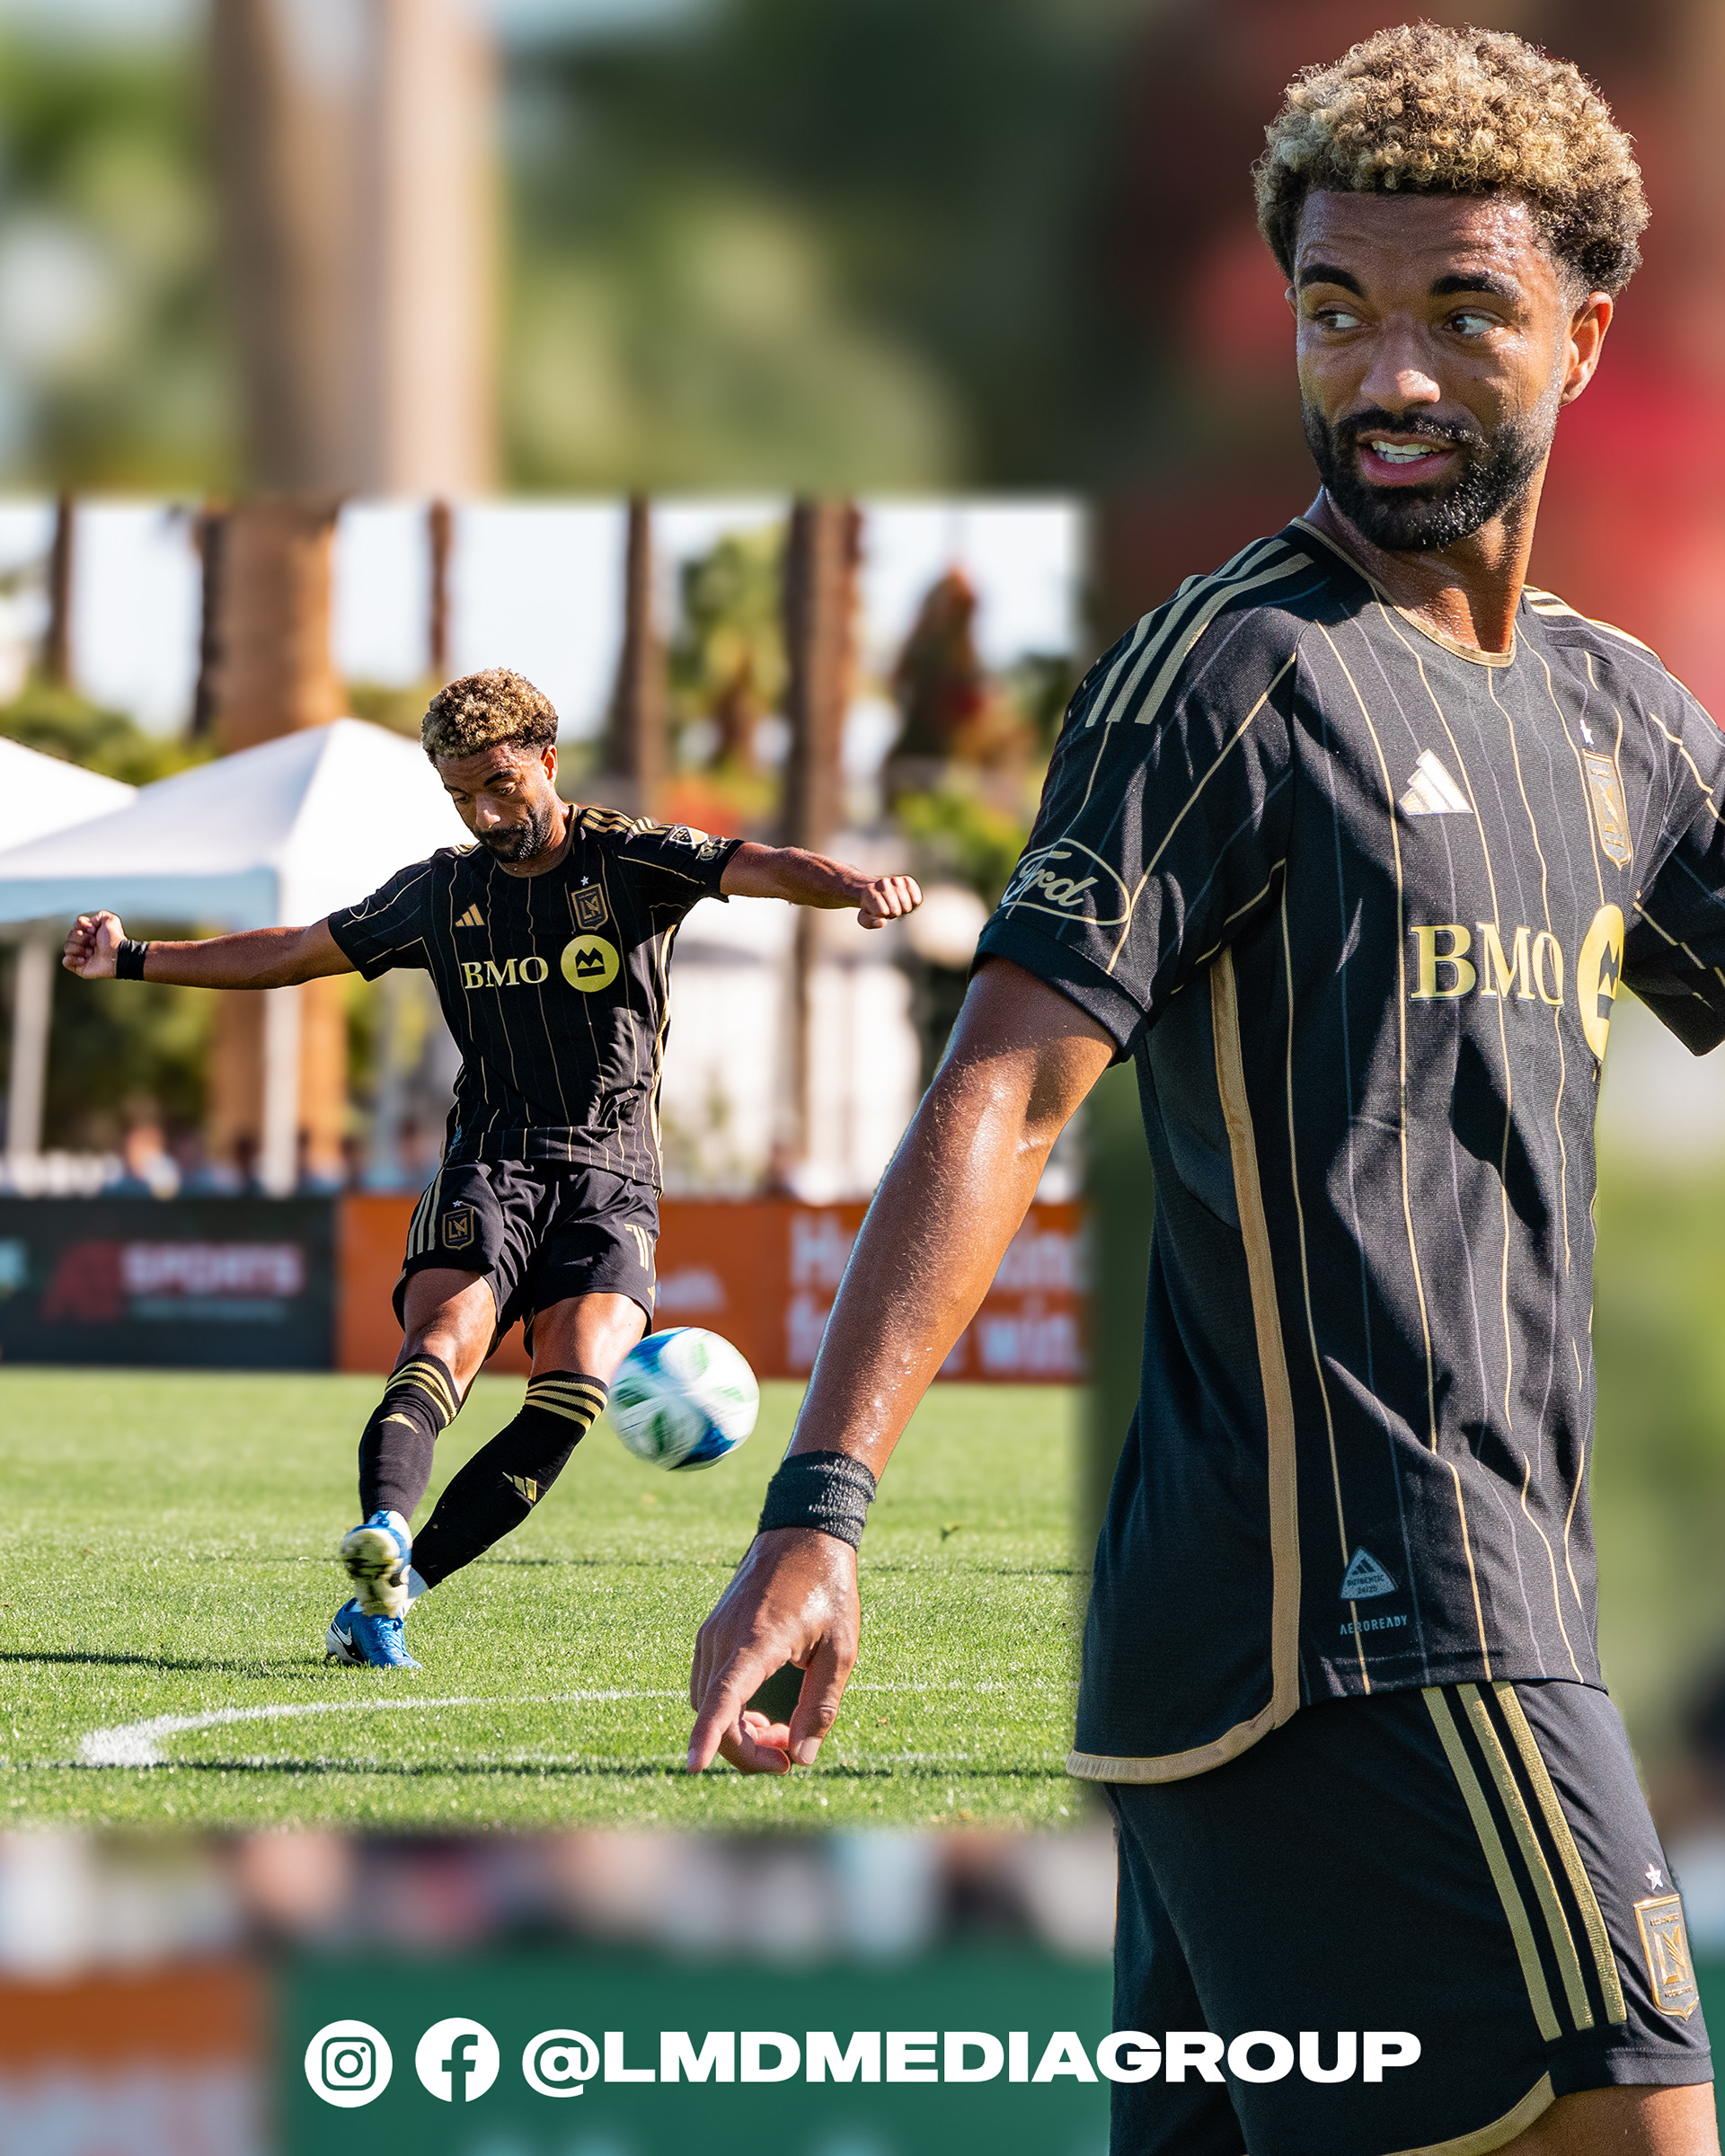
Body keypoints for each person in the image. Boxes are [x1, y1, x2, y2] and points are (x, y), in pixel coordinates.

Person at [688, 26, 1720, 2156]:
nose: (1387, 375)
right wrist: (820, 1507)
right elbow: (1005, 1095)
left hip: (1304, 1665)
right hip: (1385, 1621)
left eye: (1461, 312)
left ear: (1586, 337)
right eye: (1335, 312)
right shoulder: (1233, 674)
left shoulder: (1623, 717)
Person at [64, 667, 921, 1671]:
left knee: (576, 1389)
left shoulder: (629, 857)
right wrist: (134, 957)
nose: (484, 814)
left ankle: (391, 1597)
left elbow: (756, 864)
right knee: (444, 1344)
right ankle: (384, 1528)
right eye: (460, 795)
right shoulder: (442, 891)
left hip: (613, 1180)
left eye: (501, 786)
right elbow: (296, 950)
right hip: (490, 1163)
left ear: (547, 761)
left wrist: (854, 886)